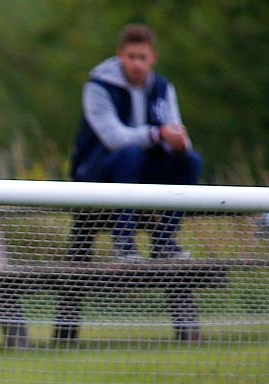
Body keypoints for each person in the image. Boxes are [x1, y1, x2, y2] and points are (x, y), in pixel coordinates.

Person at [69, 24, 202, 261]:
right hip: (98, 174)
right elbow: (115, 139)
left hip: (141, 173)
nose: (137, 64)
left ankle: (164, 241)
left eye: (142, 57)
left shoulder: (162, 87)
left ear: (153, 58)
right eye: (131, 57)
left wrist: (178, 142)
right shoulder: (98, 86)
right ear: (120, 55)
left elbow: (176, 135)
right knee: (130, 154)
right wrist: (158, 135)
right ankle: (124, 243)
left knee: (190, 161)